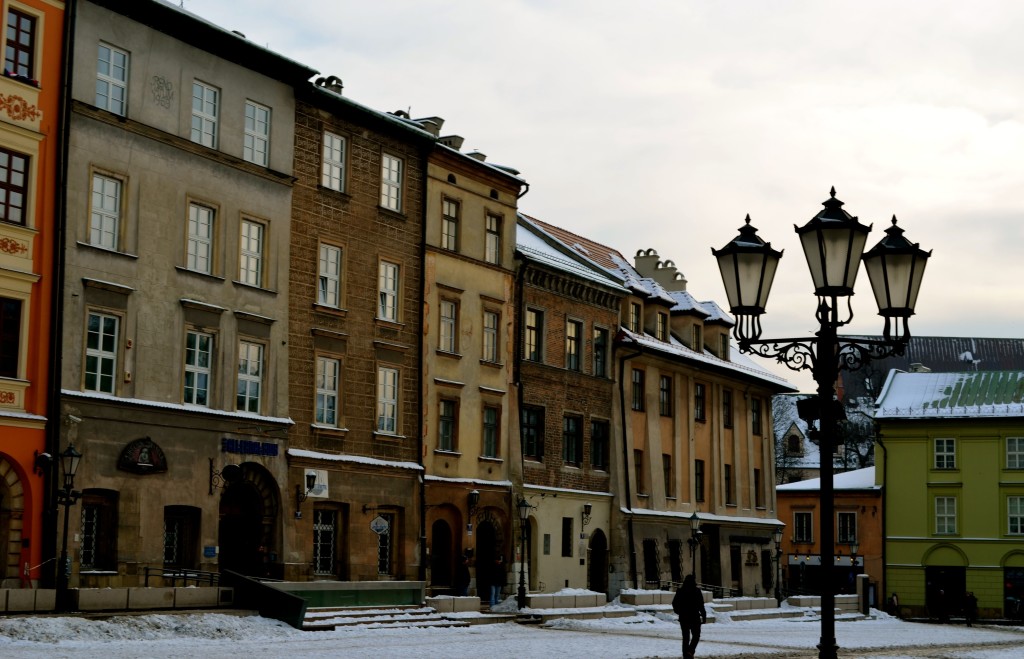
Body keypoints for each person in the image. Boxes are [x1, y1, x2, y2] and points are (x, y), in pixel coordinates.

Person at [672, 574, 706, 659]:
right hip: (695, 617)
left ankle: (685, 655)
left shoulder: (680, 591)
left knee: (686, 638)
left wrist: (679, 612)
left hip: (684, 617)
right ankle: (690, 651)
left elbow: (674, 603)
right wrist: (704, 616)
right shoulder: (697, 591)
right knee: (696, 636)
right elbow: (701, 605)